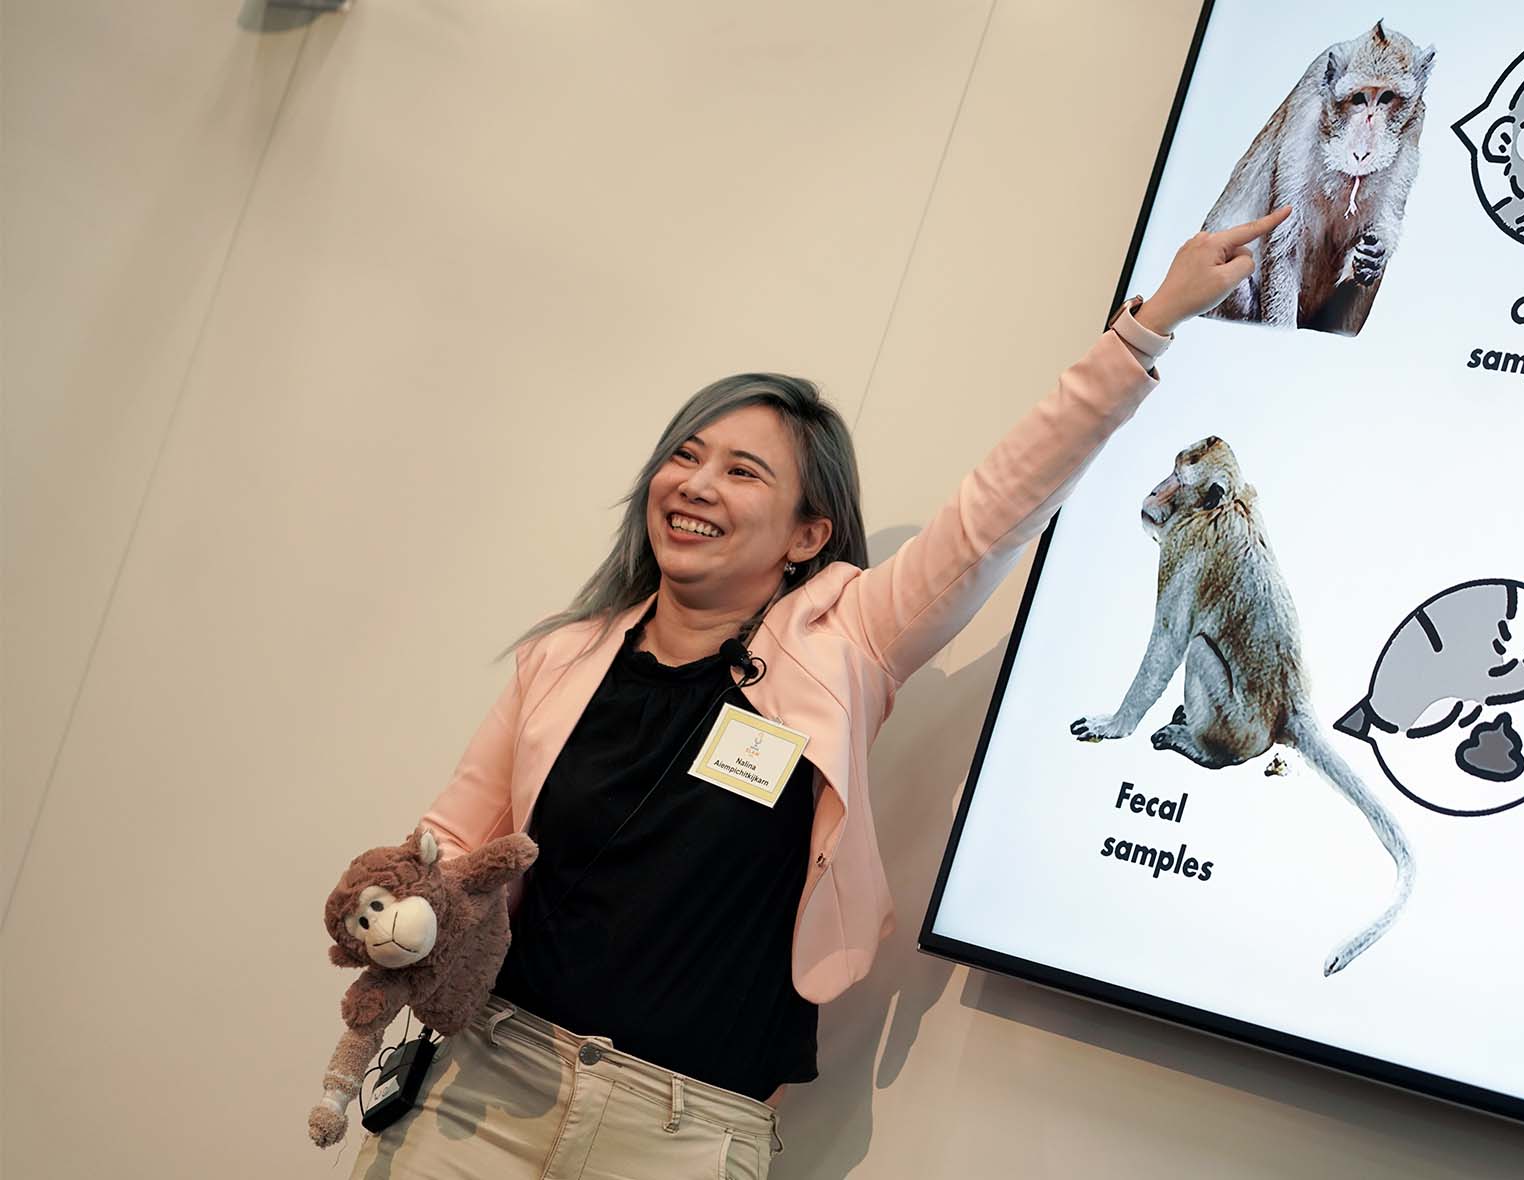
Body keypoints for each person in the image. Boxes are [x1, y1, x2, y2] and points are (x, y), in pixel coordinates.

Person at [345, 206, 1291, 1179]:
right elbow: (449, 847)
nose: (697, 484)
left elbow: (994, 510)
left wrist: (1145, 327)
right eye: (685, 456)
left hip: (680, 1135)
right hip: (485, 1092)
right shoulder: (562, 659)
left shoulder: (851, 641)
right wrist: (399, 904)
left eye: (741, 470)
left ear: (806, 533)